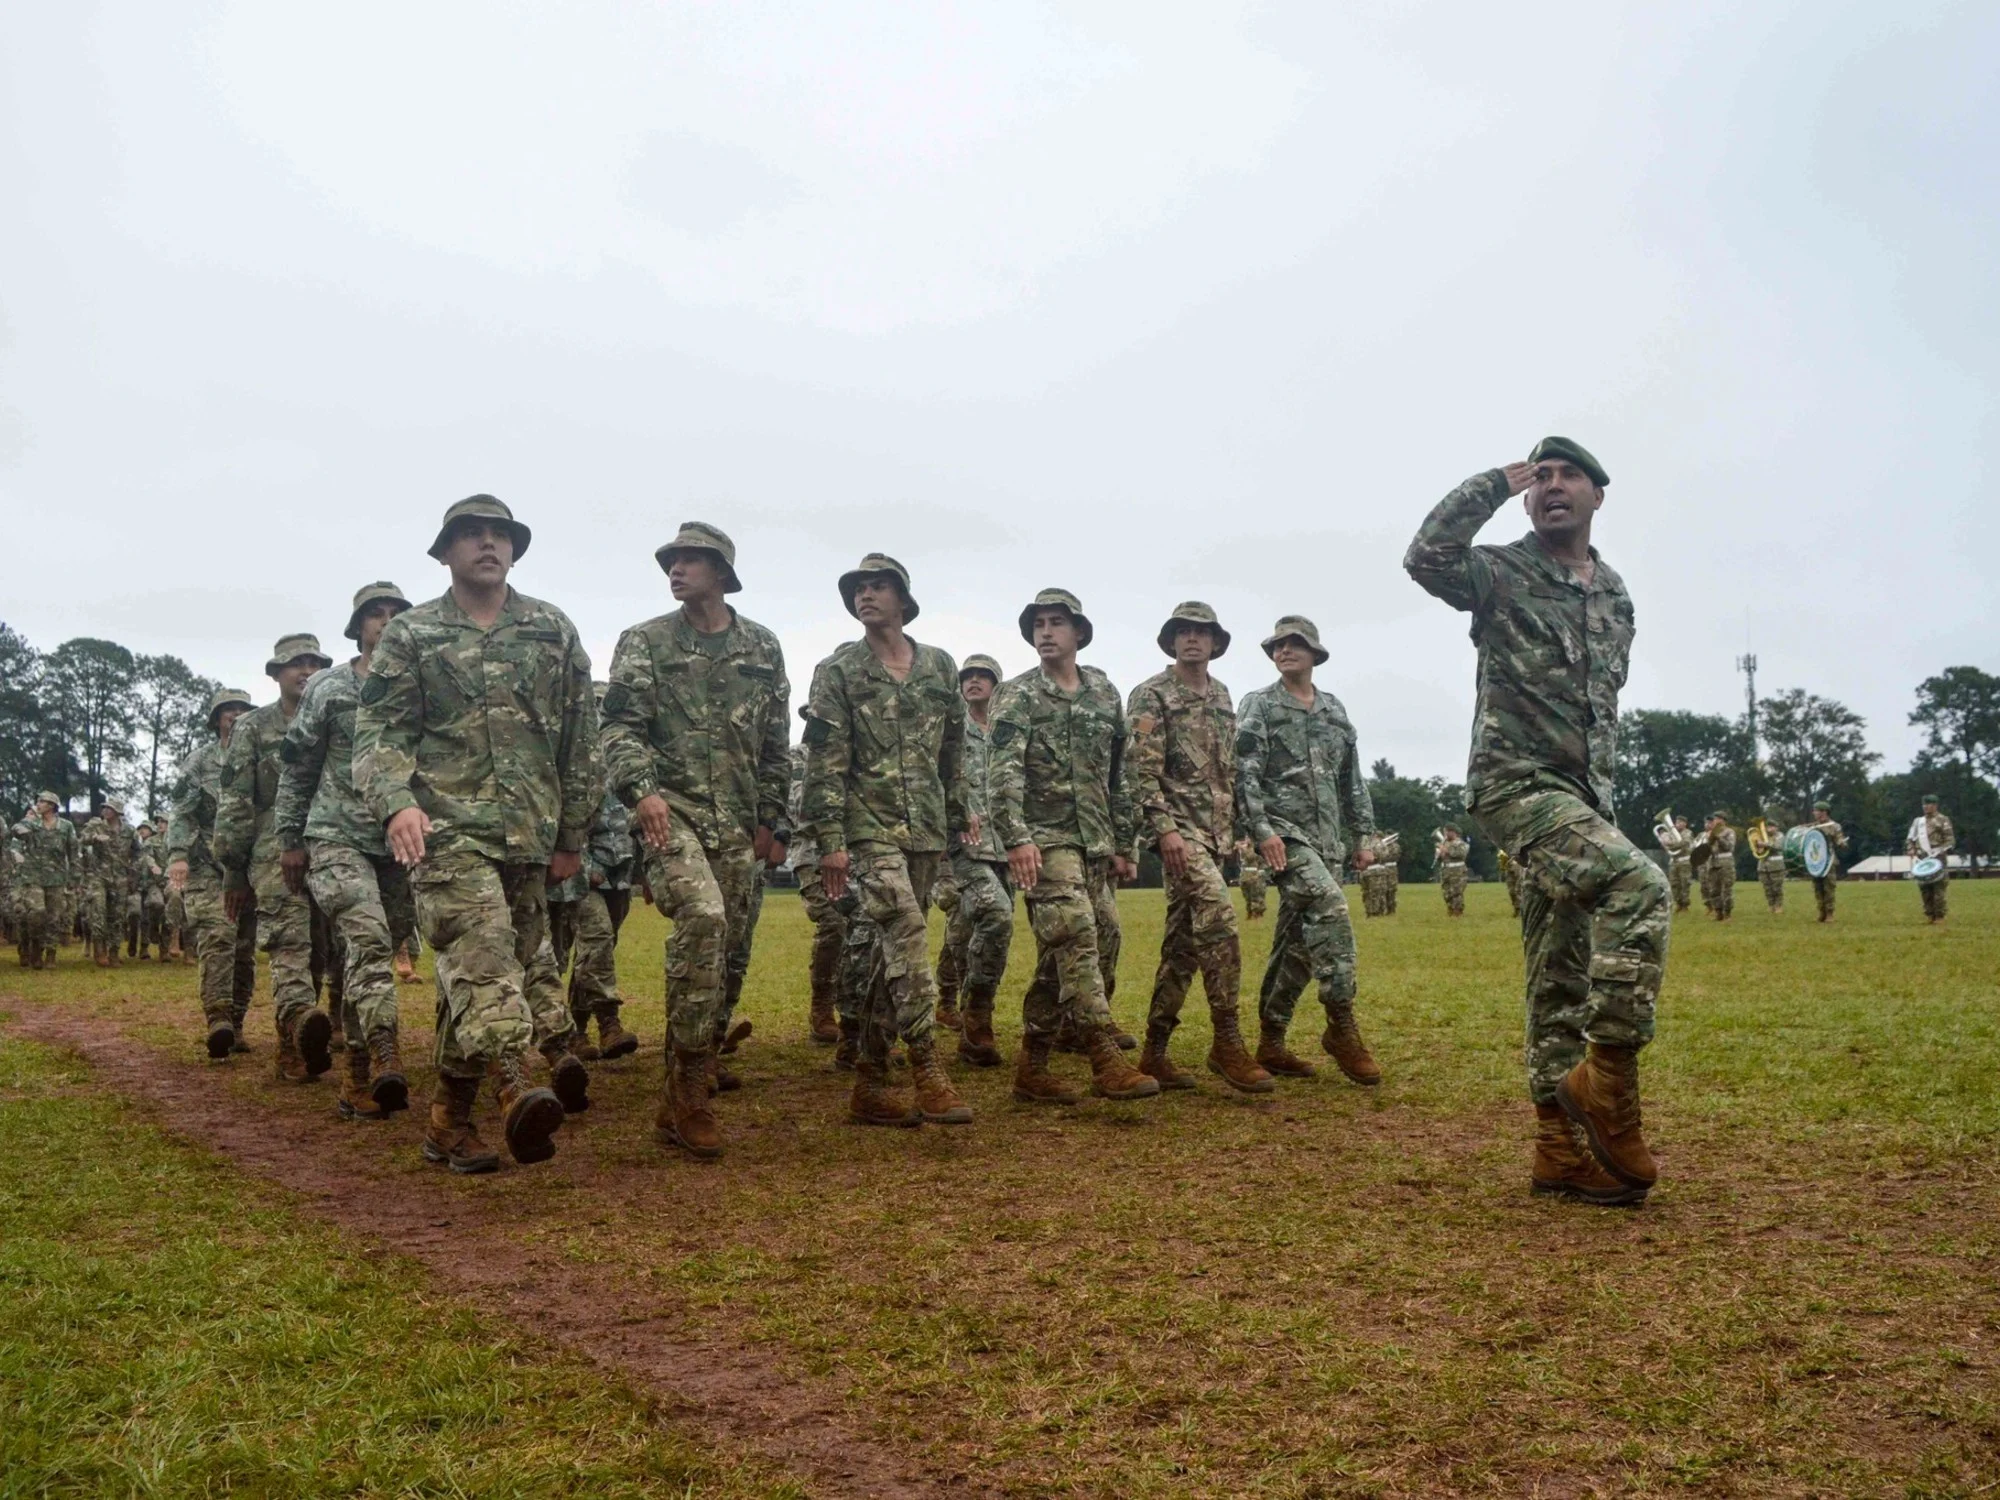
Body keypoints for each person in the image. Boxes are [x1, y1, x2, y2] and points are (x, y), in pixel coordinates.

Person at [1405, 437, 1667, 1207]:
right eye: (1541, 478)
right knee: (1640, 886)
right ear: (1527, 496)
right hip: (1517, 785)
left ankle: (1559, 1149)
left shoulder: (1614, 592)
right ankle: (1609, 1083)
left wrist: (1603, 804)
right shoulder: (1500, 572)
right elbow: (1426, 557)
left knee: (1561, 974)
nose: (1553, 487)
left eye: (1569, 476)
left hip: (1585, 799)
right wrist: (1489, 484)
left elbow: (1601, 712)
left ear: (1598, 495)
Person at [356, 494, 596, 1173]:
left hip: (529, 832)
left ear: (514, 548)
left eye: (499, 535)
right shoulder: (414, 635)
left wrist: (572, 830)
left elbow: (582, 738)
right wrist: (396, 803)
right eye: (471, 535)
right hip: (445, 831)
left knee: (484, 971)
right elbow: (378, 732)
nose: (487, 545)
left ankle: (447, 1123)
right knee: (482, 947)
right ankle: (517, 1081)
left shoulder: (551, 630)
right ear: (445, 553)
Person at [599, 522, 789, 1160]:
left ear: (721, 572)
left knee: (731, 950)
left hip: (735, 821)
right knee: (704, 920)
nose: (676, 569)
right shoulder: (644, 642)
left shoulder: (761, 647)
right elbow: (619, 728)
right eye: (672, 560)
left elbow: (773, 744)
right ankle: (685, 1094)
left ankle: (696, 1067)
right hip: (667, 812)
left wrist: (773, 819)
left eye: (690, 560)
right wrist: (642, 791)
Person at [803, 553, 972, 1126]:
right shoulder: (839, 670)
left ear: (902, 598)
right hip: (866, 827)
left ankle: (871, 1082)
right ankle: (926, 1064)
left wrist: (959, 814)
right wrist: (830, 838)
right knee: (906, 928)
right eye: (858, 588)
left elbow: (953, 750)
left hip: (924, 828)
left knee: (890, 954)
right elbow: (825, 761)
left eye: (878, 587)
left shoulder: (939, 666)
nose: (865, 595)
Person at [990, 589, 1158, 1104]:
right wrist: (1017, 839)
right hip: (1044, 842)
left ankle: (1033, 1066)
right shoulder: (1017, 695)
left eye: (1056, 622)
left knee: (1083, 939)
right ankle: (1103, 1054)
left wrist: (1125, 842)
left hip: (1094, 843)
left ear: (1078, 633)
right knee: (1078, 930)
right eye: (1038, 623)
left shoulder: (1103, 693)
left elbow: (1119, 774)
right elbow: (1001, 774)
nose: (1046, 631)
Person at [275, 582, 420, 1122]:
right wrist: (291, 839)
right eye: (374, 614)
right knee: (370, 939)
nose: (385, 622)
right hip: (335, 836)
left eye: (394, 613)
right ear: (357, 627)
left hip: (399, 842)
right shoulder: (330, 688)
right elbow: (298, 767)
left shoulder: (418, 683)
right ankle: (381, 1052)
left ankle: (360, 1069)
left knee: (380, 947)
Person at [1125, 601, 1272, 1094]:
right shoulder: (1151, 695)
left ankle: (1155, 1051)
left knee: (1183, 945)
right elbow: (1139, 772)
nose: (1192, 639)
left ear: (1214, 644)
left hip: (1216, 836)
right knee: (1221, 919)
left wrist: (1238, 830)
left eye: (1202, 633)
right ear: (1171, 642)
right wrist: (1164, 830)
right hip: (1179, 835)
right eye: (1183, 632)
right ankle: (1227, 1041)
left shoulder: (1223, 695)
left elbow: (1226, 769)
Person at [1237, 616, 1381, 1085]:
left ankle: (1271, 1040)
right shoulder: (1259, 705)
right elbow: (1245, 774)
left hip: (1328, 841)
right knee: (1330, 906)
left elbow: (1351, 780)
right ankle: (1341, 1023)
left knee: (1297, 943)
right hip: (1284, 836)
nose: (1285, 650)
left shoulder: (1334, 711)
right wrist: (1261, 830)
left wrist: (1363, 837)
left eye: (1295, 644)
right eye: (1278, 645)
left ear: (1315, 654)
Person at [215, 633, 338, 1084]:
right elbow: (234, 803)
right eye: (294, 664)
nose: (305, 671)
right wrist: (233, 869)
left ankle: (297, 1040)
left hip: (329, 847)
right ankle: (298, 1026)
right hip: (272, 854)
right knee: (289, 944)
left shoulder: (334, 719)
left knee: (319, 951)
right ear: (275, 673)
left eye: (313, 662)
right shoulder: (253, 728)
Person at [168, 690, 260, 1055]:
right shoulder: (199, 762)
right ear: (216, 718)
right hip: (207, 867)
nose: (235, 715)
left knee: (244, 950)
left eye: (241, 710)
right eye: (228, 710)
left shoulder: (258, 757)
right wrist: (177, 854)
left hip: (247, 866)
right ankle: (218, 1018)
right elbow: (181, 811)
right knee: (219, 936)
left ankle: (236, 1023)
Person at [936, 653, 1014, 1069]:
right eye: (968, 676)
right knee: (995, 916)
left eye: (984, 676)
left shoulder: (1007, 731)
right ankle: (974, 1017)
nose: (975, 682)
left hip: (1006, 849)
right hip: (960, 848)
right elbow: (931, 778)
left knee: (980, 930)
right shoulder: (950, 730)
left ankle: (971, 1019)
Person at [785, 732, 848, 1051]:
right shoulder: (798, 756)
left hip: (857, 853)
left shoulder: (857, 755)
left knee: (868, 929)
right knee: (833, 925)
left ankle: (858, 1015)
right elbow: (800, 804)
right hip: (812, 853)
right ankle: (822, 1005)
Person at [9, 791, 76, 969]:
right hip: (33, 876)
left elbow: (73, 851)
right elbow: (16, 829)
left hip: (56, 877)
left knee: (54, 917)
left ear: (52, 805)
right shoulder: (32, 822)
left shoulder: (66, 826)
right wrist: (23, 828)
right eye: (38, 801)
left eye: (42, 802)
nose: (38, 804)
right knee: (37, 912)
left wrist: (74, 877)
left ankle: (51, 954)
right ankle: (35, 948)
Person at [79, 799, 136, 967]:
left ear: (117, 812)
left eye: (110, 808)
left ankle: (114, 952)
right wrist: (94, 837)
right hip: (98, 876)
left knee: (117, 916)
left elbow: (138, 852)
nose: (105, 811)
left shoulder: (129, 830)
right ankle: (99, 950)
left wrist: (133, 870)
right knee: (98, 911)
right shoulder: (95, 825)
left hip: (120, 877)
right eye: (104, 808)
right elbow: (82, 840)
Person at [1908, 794, 1955, 923]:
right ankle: (1929, 914)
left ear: (1935, 805)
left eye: (1929, 804)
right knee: (1924, 887)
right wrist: (1911, 849)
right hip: (1922, 858)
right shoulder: (1918, 822)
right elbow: (1910, 838)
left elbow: (1950, 840)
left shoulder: (1943, 820)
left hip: (1938, 857)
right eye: (1924, 804)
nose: (1926, 807)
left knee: (1939, 887)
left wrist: (1940, 850)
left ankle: (1939, 915)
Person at [1809, 800, 1847, 921]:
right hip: (1816, 861)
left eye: (1816, 811)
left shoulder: (1835, 826)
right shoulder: (1813, 826)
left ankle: (1830, 913)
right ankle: (1822, 912)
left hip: (1829, 860)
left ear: (1824, 812)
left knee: (1828, 887)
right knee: (1818, 887)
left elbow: (1839, 839)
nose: (1814, 813)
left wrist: (1842, 843)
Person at [1699, 813, 1736, 921]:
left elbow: (1729, 847)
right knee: (1714, 890)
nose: (1715, 821)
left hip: (1725, 863)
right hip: (1712, 863)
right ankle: (1718, 912)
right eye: (1714, 819)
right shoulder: (1709, 833)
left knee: (1726, 890)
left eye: (1718, 819)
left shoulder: (1729, 832)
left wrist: (1719, 838)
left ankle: (1727, 914)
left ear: (1723, 820)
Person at [1657, 812, 1693, 913]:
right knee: (1674, 884)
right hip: (1673, 862)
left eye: (1681, 822)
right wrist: (1663, 839)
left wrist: (1670, 844)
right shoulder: (1671, 833)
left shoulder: (1687, 833)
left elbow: (1684, 843)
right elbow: (1666, 845)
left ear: (1685, 824)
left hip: (1684, 862)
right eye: (1677, 822)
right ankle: (1678, 903)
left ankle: (1685, 905)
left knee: (1684, 884)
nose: (1678, 824)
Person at [1436, 824, 1471, 917]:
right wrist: (1439, 854)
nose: (1445, 834)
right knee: (1446, 892)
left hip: (1457, 871)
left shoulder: (1461, 843)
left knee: (1456, 892)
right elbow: (1442, 858)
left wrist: (1446, 851)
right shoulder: (1445, 843)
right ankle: (1450, 909)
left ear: (1453, 832)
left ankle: (1458, 912)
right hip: (1446, 870)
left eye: (1446, 832)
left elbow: (1461, 854)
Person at [1756, 814, 1788, 915]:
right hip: (1763, 865)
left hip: (1776, 866)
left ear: (1776, 828)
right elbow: (1756, 849)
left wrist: (1765, 844)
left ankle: (1778, 906)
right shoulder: (1762, 836)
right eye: (1768, 826)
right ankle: (1771, 905)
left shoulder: (1780, 835)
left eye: (1771, 826)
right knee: (1767, 888)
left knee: (1777, 887)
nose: (1769, 829)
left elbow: (1778, 846)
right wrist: (1757, 845)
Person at [1236, 837, 1268, 920]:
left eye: (1248, 838)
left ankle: (1257, 914)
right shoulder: (1245, 848)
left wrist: (1242, 848)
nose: (1246, 840)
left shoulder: (1255, 848)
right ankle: (1249, 912)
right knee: (1247, 895)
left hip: (1253, 875)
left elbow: (1250, 857)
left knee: (1256, 895)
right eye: (1246, 838)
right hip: (1244, 875)